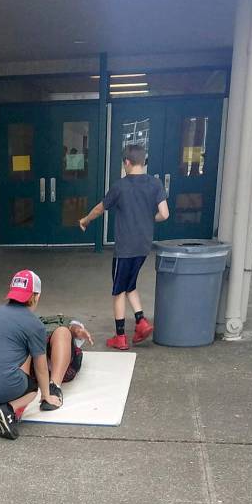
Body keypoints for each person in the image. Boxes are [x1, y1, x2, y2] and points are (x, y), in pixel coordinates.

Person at [79, 143, 169, 350]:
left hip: (125, 248)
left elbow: (100, 209)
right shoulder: (155, 184)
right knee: (130, 284)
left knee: (118, 290)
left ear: (127, 162)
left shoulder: (120, 186)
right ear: (143, 161)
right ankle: (141, 322)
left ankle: (120, 337)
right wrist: (148, 219)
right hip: (144, 246)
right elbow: (164, 214)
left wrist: (85, 220)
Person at [0, 271, 93, 441]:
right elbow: (41, 368)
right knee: (31, 389)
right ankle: (9, 409)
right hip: (9, 384)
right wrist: (46, 394)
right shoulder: (34, 324)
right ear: (36, 296)